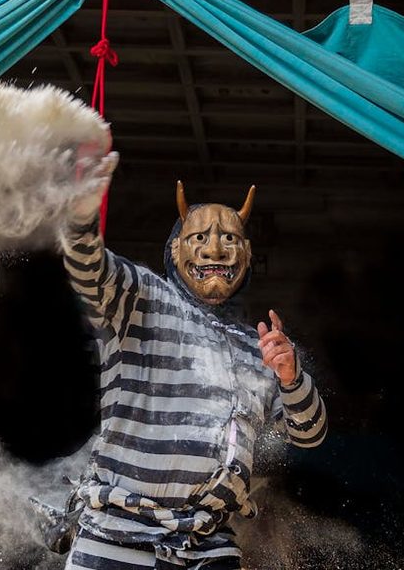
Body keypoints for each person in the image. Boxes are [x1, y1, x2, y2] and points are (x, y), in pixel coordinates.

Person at [57, 148, 327, 569]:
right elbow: (87, 270)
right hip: (116, 536)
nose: (216, 250)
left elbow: (309, 436)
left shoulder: (257, 349)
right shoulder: (140, 298)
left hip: (208, 544)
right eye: (200, 237)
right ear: (176, 249)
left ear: (247, 254)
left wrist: (291, 378)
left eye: (229, 239)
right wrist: (80, 216)